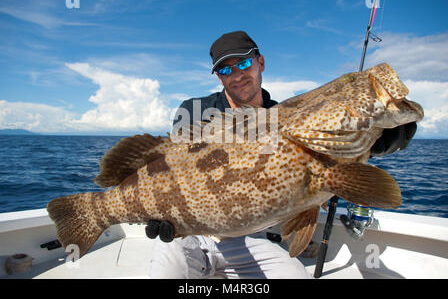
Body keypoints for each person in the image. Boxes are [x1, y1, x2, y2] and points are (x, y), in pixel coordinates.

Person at [146, 31, 417, 279]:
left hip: (251, 237)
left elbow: (351, 144)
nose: (237, 75)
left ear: (260, 62)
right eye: (226, 70)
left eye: (244, 64)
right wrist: (161, 215)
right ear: (219, 77)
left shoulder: (288, 115)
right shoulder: (195, 111)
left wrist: (388, 130)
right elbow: (173, 171)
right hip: (191, 233)